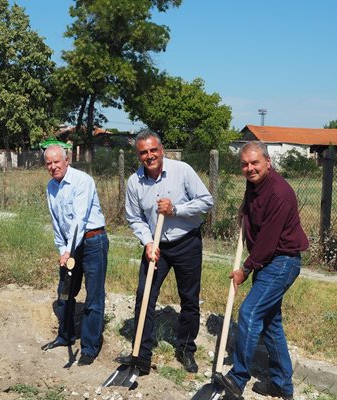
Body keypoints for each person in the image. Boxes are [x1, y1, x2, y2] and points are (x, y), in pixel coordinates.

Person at [213, 141, 309, 400]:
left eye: (255, 162)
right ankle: (281, 385)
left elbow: (267, 241)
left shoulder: (279, 193)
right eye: (244, 164)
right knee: (270, 324)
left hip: (282, 262)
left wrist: (245, 268)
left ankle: (238, 377)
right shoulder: (254, 185)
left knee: (250, 312)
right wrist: (245, 212)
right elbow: (254, 212)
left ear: (268, 162)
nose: (250, 168)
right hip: (270, 261)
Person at [116, 130, 213, 374]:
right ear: (138, 155)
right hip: (156, 246)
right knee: (145, 296)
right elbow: (134, 218)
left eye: (153, 150)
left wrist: (176, 210)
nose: (149, 156)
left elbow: (206, 201)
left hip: (187, 242)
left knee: (189, 299)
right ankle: (141, 353)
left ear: (161, 149)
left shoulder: (182, 171)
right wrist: (148, 242)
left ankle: (186, 350)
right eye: (143, 152)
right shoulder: (134, 182)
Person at [41, 144, 109, 367]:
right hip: (70, 246)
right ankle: (65, 335)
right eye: (48, 163)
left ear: (66, 160)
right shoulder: (51, 187)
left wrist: (70, 249)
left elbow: (79, 220)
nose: (53, 167)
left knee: (94, 295)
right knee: (65, 291)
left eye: (56, 162)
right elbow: (57, 224)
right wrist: (63, 250)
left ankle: (89, 347)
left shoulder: (82, 181)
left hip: (92, 242)